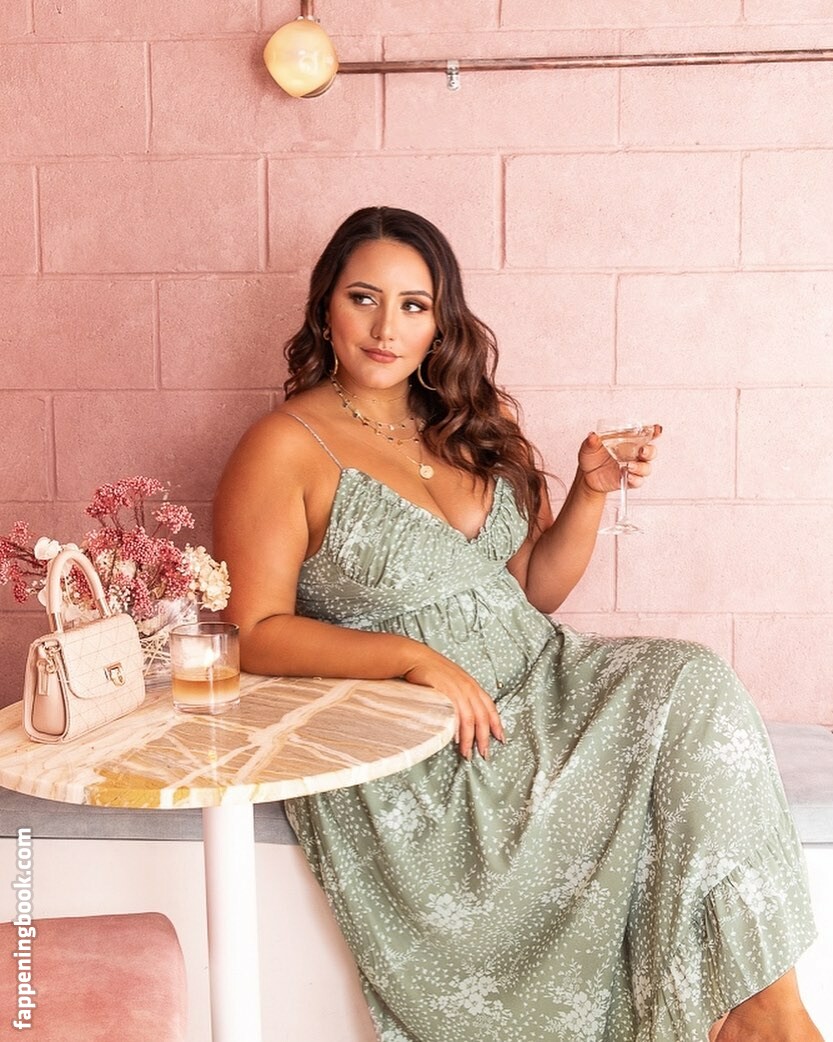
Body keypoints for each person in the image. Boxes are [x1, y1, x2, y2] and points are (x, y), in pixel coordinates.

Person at [213, 206, 821, 1042]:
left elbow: (532, 589)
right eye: (363, 298)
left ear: (440, 323)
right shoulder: (283, 446)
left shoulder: (462, 423)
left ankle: (767, 1016)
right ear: (325, 307)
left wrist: (590, 490)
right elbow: (253, 631)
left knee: (691, 679)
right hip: (428, 739)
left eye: (413, 305)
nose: (386, 328)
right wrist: (412, 659)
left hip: (545, 680)